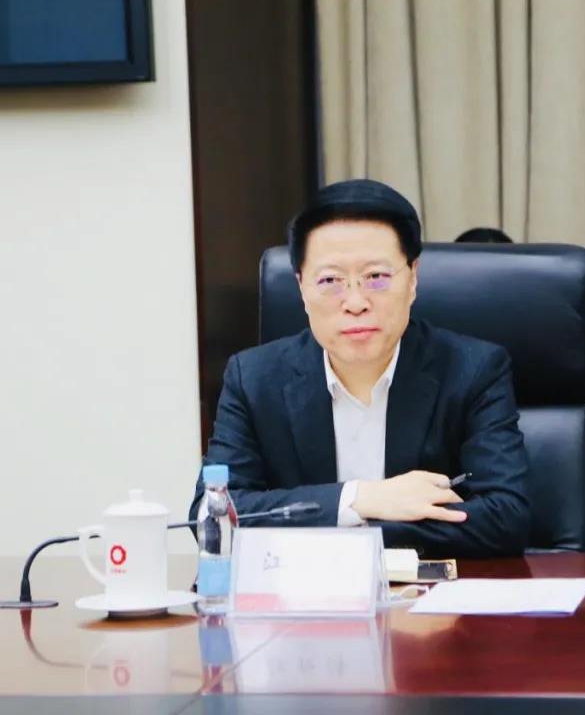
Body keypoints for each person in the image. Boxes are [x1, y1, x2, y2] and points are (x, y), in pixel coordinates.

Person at [190, 179, 531, 557]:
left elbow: (506, 517)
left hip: (428, 593)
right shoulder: (254, 378)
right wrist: (359, 499)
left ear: (413, 278)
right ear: (302, 287)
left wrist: (355, 529)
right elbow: (213, 515)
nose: (355, 302)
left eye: (376, 278)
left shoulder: (473, 370)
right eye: (330, 281)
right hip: (304, 591)